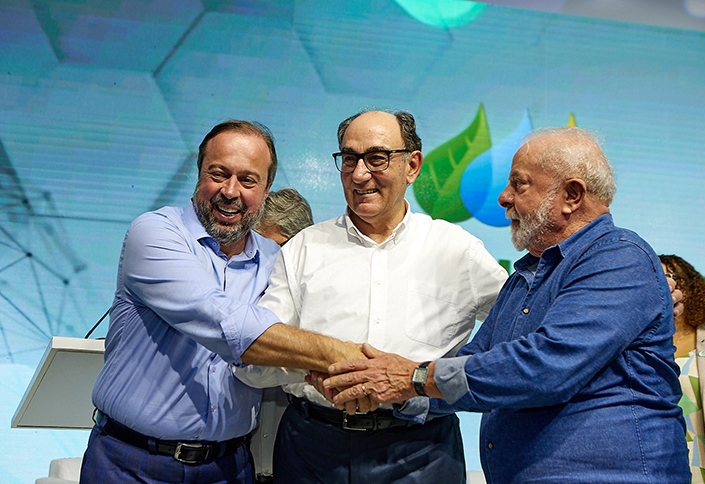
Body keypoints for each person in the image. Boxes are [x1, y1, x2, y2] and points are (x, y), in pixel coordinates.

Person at [325, 127, 691, 484]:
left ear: (572, 196)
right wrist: (378, 386)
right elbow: (472, 361)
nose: (503, 197)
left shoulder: (619, 257)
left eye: (519, 184)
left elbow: (548, 364)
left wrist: (414, 378)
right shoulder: (525, 276)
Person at [80, 120, 369, 484]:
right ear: (199, 173)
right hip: (133, 463)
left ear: (266, 190)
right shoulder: (155, 233)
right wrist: (341, 355)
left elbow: (310, 323)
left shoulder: (280, 259)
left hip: (230, 467)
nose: (230, 191)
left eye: (248, 181)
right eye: (218, 174)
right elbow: (223, 321)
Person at [237, 110, 509, 484]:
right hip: (311, 449)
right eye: (349, 158)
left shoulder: (458, 251)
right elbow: (252, 360)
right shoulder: (303, 249)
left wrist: (445, 379)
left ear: (412, 166)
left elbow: (521, 336)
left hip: (422, 452)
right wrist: (323, 370)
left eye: (377, 158)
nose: (360, 173)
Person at [250, 187, 314, 484]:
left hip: (300, 465)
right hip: (236, 466)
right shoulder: (234, 297)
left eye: (270, 247)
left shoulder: (321, 306)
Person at [659, 254, 705, 483]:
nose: (660, 284)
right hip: (660, 472)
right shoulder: (635, 352)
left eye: (668, 276)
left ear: (689, 288)